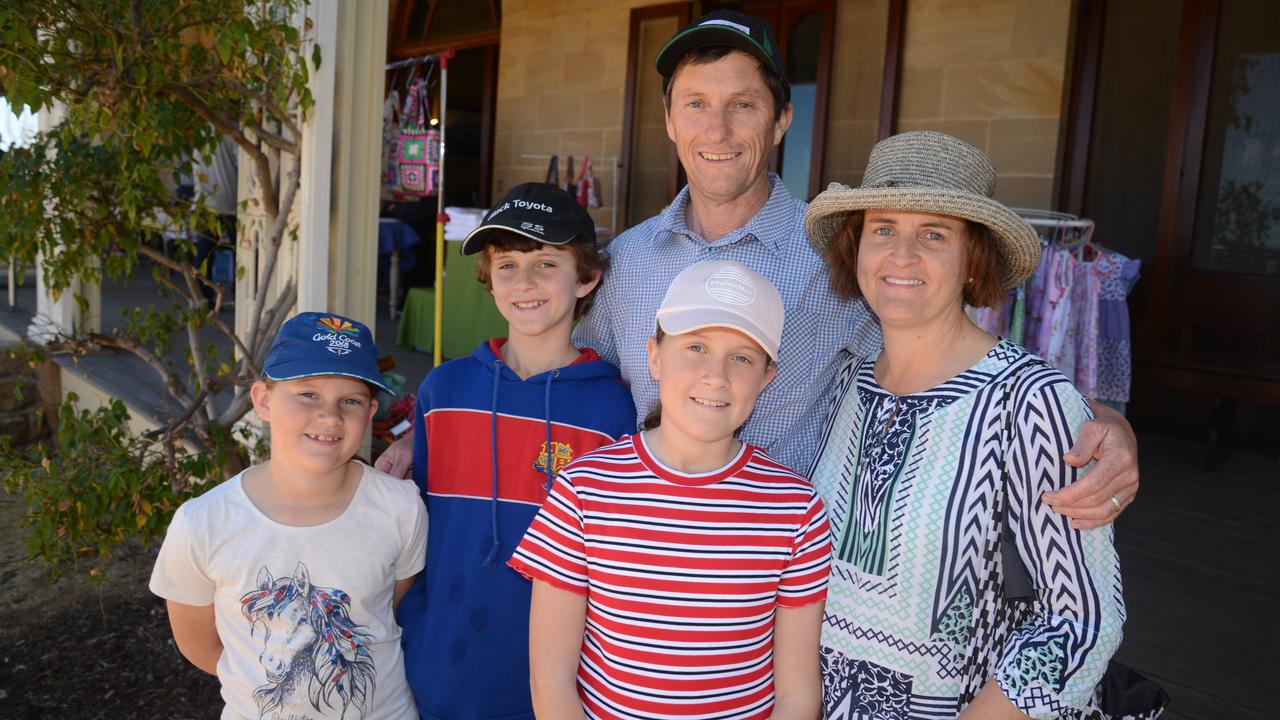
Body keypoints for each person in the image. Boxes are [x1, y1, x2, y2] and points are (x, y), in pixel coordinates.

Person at [571, 8, 1139, 529]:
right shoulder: (628, 259)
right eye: (696, 103)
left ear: (781, 120)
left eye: (742, 104)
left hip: (782, 568)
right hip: (637, 552)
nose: (717, 130)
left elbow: (953, 360)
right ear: (670, 120)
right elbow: (576, 378)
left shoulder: (842, 258)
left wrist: (1106, 421)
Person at [805, 131, 1125, 718]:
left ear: (973, 259)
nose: (902, 256)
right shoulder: (844, 386)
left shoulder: (1030, 400)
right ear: (857, 248)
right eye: (883, 229)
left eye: (934, 234)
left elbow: (1077, 622)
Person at [510, 259, 833, 719]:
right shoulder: (584, 490)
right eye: (696, 347)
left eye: (741, 357)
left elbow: (798, 696)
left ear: (766, 377)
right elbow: (551, 683)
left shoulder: (796, 509)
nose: (716, 375)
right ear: (654, 357)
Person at [391, 182, 637, 720]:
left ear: (587, 278)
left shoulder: (613, 411)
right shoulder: (443, 391)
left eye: (546, 263)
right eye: (506, 265)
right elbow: (418, 529)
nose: (524, 282)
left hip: (559, 685)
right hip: (438, 663)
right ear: (488, 280)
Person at [150, 311, 426, 720]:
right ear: (262, 400)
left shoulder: (400, 507)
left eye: (349, 400)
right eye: (308, 394)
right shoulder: (202, 523)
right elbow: (199, 643)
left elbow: (389, 606)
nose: (330, 416)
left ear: (369, 412)